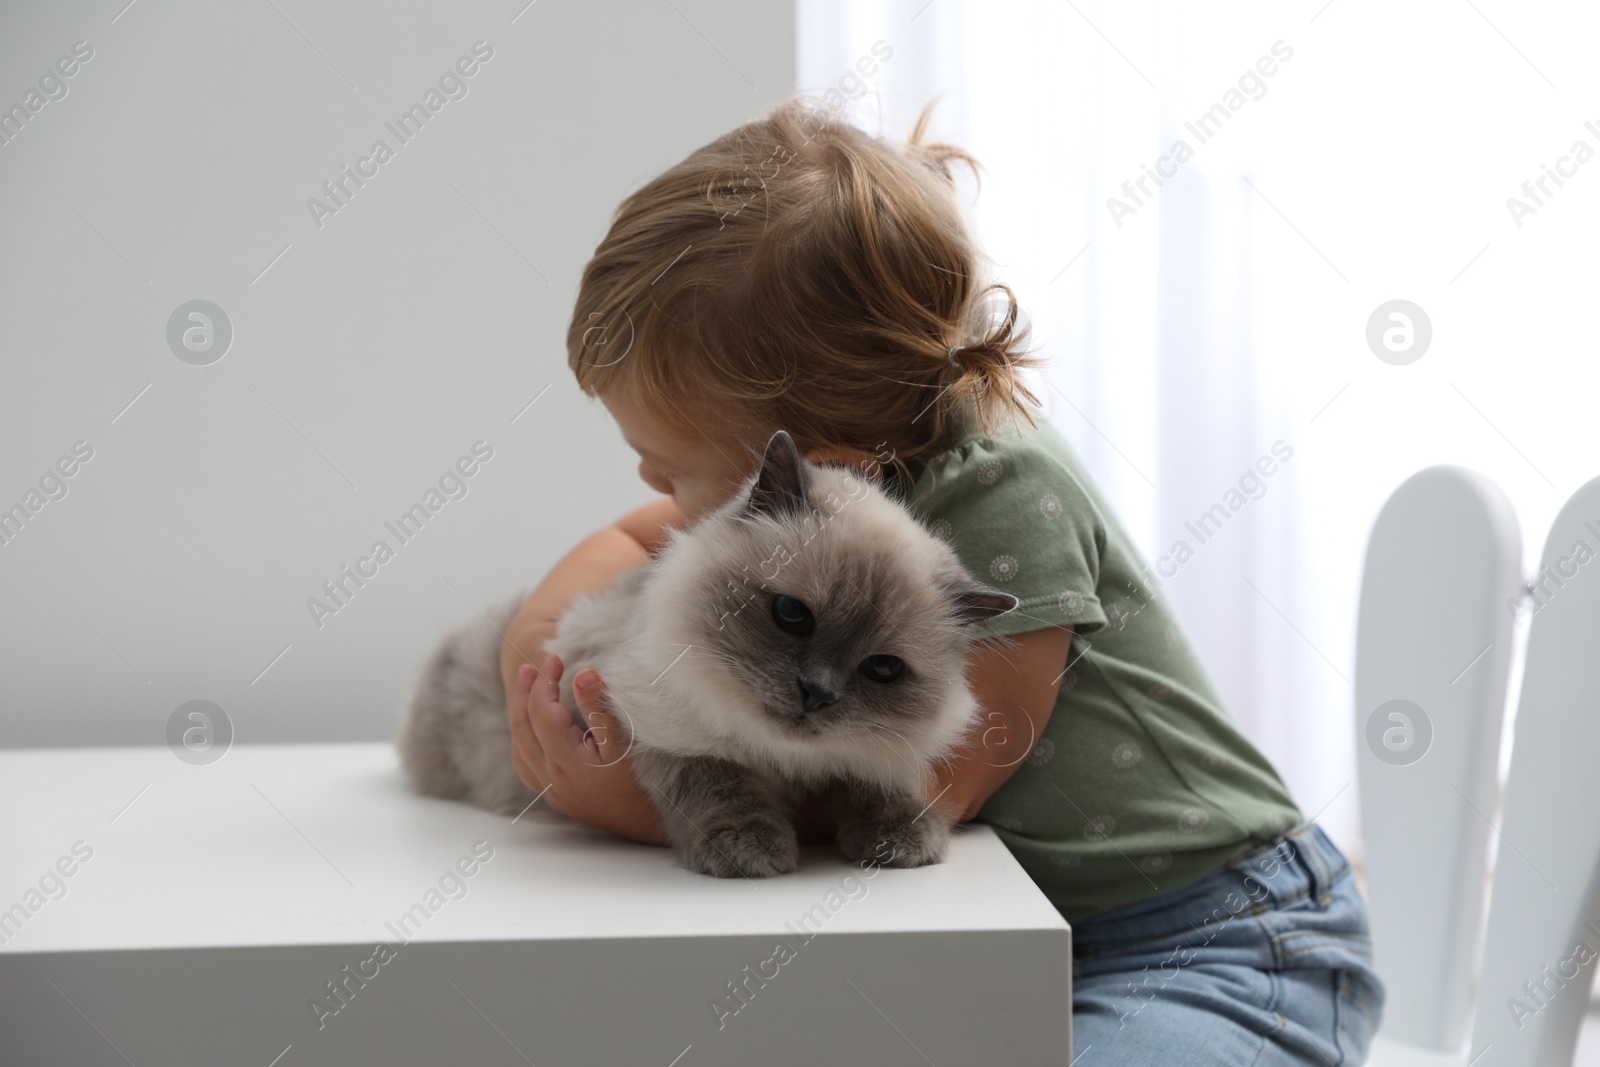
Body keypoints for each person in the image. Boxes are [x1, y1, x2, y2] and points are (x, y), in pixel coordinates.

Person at [496, 95, 1384, 1065]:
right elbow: (625, 541)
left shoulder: (1004, 495)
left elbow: (917, 797)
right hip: (1008, 947)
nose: (653, 487)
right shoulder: (809, 506)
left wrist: (637, 797)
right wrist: (531, 654)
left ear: (821, 459)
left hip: (1211, 933)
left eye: (670, 465)